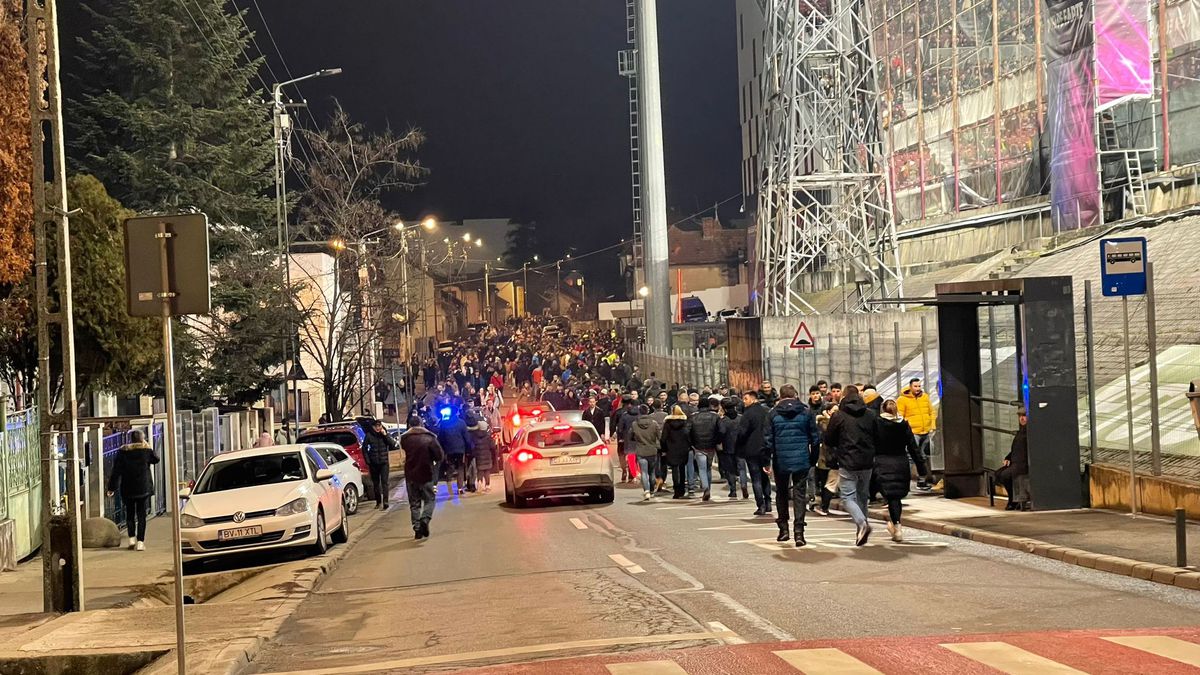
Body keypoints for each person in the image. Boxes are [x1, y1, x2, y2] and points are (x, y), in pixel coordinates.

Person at [824, 385, 882, 546]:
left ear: (843, 396)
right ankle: (860, 531)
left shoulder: (839, 415)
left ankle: (862, 523)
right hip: (867, 461)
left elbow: (829, 439)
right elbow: (877, 436)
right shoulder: (870, 415)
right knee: (863, 496)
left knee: (847, 497)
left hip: (847, 460)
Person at [763, 384, 821, 546]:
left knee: (781, 493)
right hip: (802, 459)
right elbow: (815, 438)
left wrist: (767, 461)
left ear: (780, 396)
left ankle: (783, 530)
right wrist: (812, 459)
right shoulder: (806, 412)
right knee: (799, 494)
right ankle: (799, 532)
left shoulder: (772, 414)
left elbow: (767, 440)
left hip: (781, 459)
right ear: (795, 395)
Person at [876, 399, 928, 542]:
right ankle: (897, 526)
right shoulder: (903, 424)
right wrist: (921, 468)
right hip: (900, 462)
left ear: (882, 410)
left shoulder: (877, 423)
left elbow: (871, 444)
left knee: (889, 495)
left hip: (883, 462)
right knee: (896, 497)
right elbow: (913, 448)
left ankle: (895, 526)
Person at [106, 430, 160, 551]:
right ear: (142, 439)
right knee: (141, 515)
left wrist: (111, 488)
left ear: (131, 439)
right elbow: (156, 459)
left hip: (128, 488)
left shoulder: (123, 452)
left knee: (129, 514)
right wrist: (147, 445)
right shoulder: (146, 451)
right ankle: (140, 542)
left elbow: (116, 471)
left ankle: (131, 539)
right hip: (143, 488)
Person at [401, 418, 445, 539]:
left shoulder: (405, 439)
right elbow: (439, 455)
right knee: (430, 499)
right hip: (426, 473)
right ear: (421, 424)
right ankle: (424, 519)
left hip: (410, 474)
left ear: (409, 425)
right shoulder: (430, 438)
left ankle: (417, 529)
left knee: (414, 503)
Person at [736, 390, 772, 516]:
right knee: (765, 476)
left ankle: (760, 505)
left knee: (756, 478)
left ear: (753, 399)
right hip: (765, 448)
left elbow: (742, 432)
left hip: (751, 449)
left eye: (745, 399)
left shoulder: (748, 414)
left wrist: (739, 443)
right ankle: (768, 503)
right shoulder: (766, 411)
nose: (743, 401)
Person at [897, 378, 937, 490]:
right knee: (910, 457)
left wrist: (932, 426)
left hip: (926, 431)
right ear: (910, 387)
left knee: (922, 457)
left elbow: (931, 412)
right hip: (913, 432)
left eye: (919, 386)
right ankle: (905, 482)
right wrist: (907, 429)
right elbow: (900, 416)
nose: (918, 388)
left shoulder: (925, 397)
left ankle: (922, 480)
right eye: (915, 386)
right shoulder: (902, 399)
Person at [688, 396, 722, 501]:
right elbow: (720, 430)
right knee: (708, 468)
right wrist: (716, 441)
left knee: (701, 468)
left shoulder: (693, 417)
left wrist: (692, 443)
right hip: (711, 446)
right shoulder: (715, 416)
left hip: (698, 446)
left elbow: (688, 432)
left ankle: (705, 488)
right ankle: (709, 489)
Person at [363, 420, 400, 509]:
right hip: (374, 463)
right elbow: (364, 449)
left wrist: (385, 435)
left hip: (384, 463)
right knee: (376, 484)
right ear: (373, 427)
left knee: (385, 483)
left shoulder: (384, 435)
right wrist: (368, 461)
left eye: (379, 426)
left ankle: (386, 502)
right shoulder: (369, 436)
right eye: (376, 426)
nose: (378, 428)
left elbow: (393, 445)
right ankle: (378, 501)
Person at [437, 411, 474, 495]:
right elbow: (466, 437)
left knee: (450, 467)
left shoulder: (444, 424)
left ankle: (449, 486)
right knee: (461, 467)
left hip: (449, 450)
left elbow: (441, 438)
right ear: (456, 414)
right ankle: (460, 488)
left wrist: (443, 450)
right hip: (460, 450)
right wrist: (468, 450)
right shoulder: (461, 423)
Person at [630, 405, 662, 500]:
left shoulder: (635, 424)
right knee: (652, 471)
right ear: (648, 411)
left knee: (644, 472)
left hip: (641, 450)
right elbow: (659, 436)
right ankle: (652, 490)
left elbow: (631, 436)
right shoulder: (654, 423)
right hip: (652, 450)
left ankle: (646, 490)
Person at [660, 405, 692, 499]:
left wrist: (664, 449)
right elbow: (688, 435)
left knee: (674, 469)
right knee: (682, 468)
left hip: (671, 448)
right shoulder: (685, 422)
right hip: (683, 448)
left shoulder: (668, 423)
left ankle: (676, 490)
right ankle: (682, 489)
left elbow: (663, 438)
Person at [718, 398, 748, 499]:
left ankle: (733, 490)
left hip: (728, 447)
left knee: (730, 470)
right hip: (741, 446)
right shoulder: (741, 418)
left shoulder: (723, 420)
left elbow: (721, 433)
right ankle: (744, 485)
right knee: (742, 468)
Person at [1002, 408, 1031, 511]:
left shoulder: (1029, 431)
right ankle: (1012, 499)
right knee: (999, 474)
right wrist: (1008, 457)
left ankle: (1013, 500)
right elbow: (1016, 449)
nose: (1022, 418)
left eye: (1024, 416)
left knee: (1005, 475)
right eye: (1020, 416)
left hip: (1022, 464)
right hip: (1015, 462)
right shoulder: (1021, 431)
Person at [468, 418, 496, 493]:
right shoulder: (488, 437)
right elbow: (493, 446)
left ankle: (479, 484)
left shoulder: (475, 437)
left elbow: (473, 447)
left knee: (480, 471)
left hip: (479, 457)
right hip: (487, 456)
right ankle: (487, 485)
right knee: (487, 471)